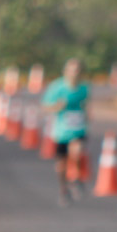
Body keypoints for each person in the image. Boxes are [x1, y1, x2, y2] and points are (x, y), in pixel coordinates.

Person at [42, 58, 90, 206]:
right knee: (61, 164)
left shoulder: (84, 89)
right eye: (71, 70)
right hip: (61, 130)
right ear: (65, 71)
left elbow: (86, 105)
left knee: (77, 150)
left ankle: (75, 179)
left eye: (77, 70)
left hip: (78, 128)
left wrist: (86, 114)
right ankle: (63, 189)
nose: (74, 73)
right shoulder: (57, 87)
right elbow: (45, 107)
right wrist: (58, 106)